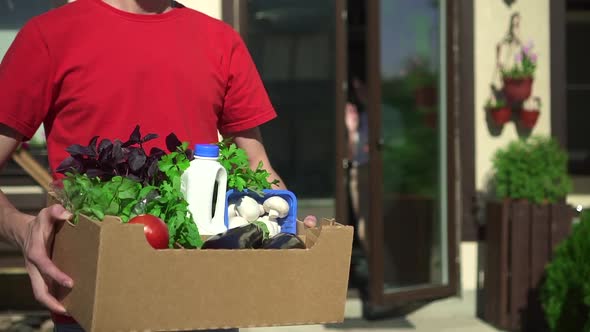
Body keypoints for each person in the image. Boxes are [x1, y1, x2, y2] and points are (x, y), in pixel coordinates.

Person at [0, 0, 317, 331]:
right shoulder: (49, 36)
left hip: (204, 301)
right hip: (97, 299)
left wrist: (287, 226)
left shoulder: (220, 41)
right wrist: (23, 230)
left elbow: (256, 164)